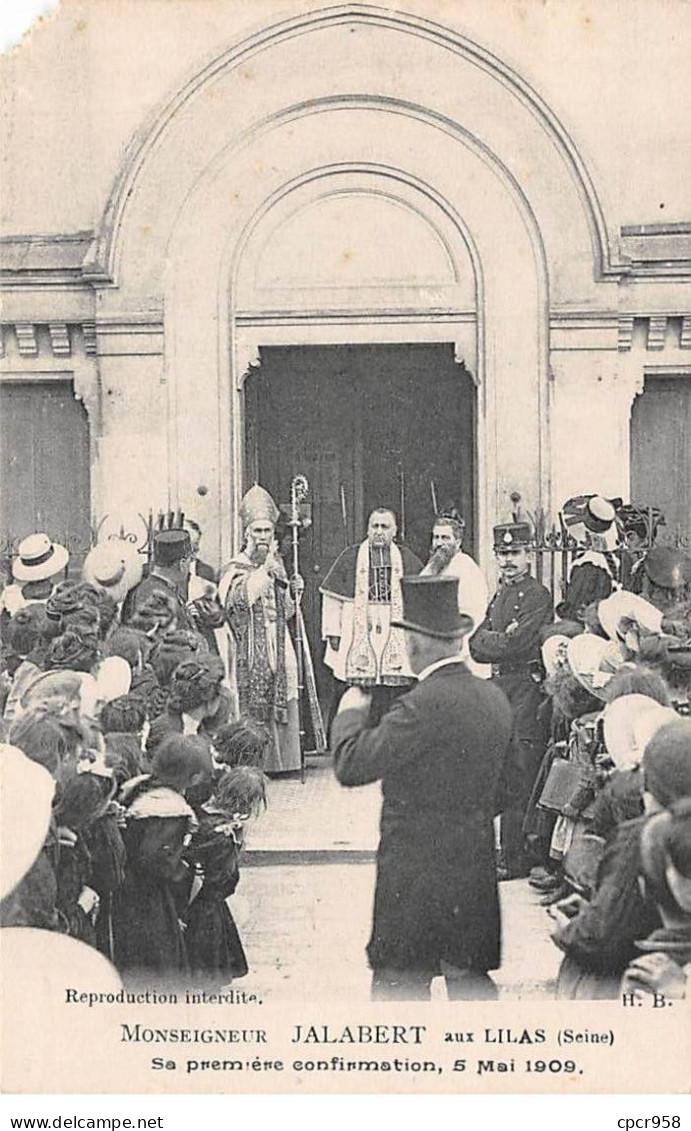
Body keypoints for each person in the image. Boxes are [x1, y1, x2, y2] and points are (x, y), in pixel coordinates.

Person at [332, 575, 513, 1001]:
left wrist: (350, 714)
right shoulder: (495, 700)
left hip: (414, 875)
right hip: (473, 865)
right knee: (471, 988)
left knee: (400, 989)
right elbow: (511, 786)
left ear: (416, 642)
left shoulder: (421, 704)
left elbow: (351, 764)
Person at [469, 522, 554, 879]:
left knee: (521, 770)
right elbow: (475, 644)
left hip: (525, 689)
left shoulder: (537, 595)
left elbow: (516, 645)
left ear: (530, 556)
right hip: (501, 688)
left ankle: (515, 858)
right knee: (500, 769)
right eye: (502, 554)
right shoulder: (501, 594)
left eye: (515, 553)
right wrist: (497, 639)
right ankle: (504, 852)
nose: (508, 560)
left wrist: (500, 640)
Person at [219, 485, 301, 774]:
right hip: (250, 644)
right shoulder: (235, 566)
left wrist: (292, 591)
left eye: (267, 531)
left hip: (278, 639)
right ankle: (256, 761)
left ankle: (285, 761)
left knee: (287, 683)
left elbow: (288, 611)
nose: (263, 537)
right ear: (246, 534)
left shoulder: (276, 564)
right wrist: (264, 571)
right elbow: (237, 601)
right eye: (257, 532)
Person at [320, 507, 422, 725]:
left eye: (384, 527)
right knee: (355, 685)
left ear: (394, 531)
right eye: (374, 526)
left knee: (393, 685)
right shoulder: (350, 556)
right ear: (367, 529)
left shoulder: (405, 558)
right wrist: (333, 632)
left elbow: (419, 599)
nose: (378, 531)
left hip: (394, 623)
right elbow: (332, 599)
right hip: (355, 626)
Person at [420, 506, 489, 677]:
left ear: (458, 542)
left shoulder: (467, 569)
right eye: (436, 537)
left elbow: (472, 617)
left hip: (460, 656)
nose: (439, 543)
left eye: (445, 538)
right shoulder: (432, 568)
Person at [122, 529, 196, 634]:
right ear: (182, 564)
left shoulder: (153, 588)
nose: (190, 567)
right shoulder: (159, 595)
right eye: (190, 561)